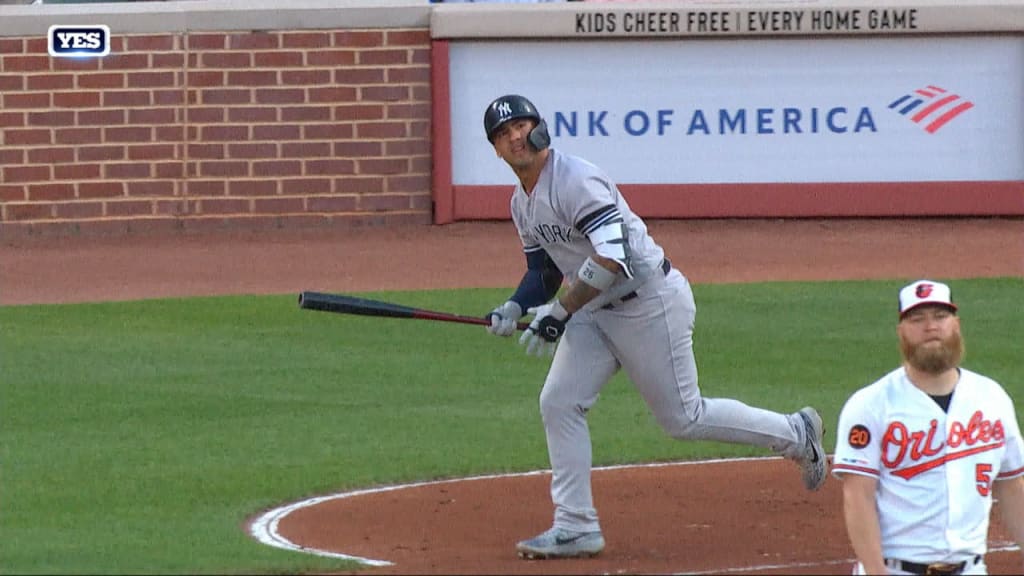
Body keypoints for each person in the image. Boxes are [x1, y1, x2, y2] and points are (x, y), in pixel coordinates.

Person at [480, 93, 828, 560]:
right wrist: (513, 305)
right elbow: (543, 272)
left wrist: (559, 313)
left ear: (540, 127)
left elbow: (612, 259)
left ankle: (795, 433)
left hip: (647, 303)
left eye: (521, 126)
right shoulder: (522, 204)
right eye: (503, 134)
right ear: (497, 150)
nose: (515, 137)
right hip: (596, 311)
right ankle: (575, 525)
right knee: (559, 402)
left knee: (684, 419)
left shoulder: (576, 179)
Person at [832, 280, 1024, 575]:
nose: (930, 327)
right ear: (901, 331)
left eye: (940, 316)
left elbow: (1012, 487)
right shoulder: (870, 405)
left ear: (956, 324)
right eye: (917, 319)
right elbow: (858, 497)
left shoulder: (991, 397)